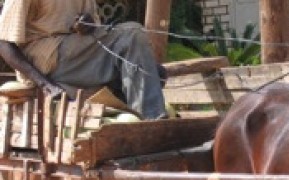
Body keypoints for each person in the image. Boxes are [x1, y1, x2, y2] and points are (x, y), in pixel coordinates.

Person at [0, 0, 167, 119]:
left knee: (150, 69)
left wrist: (88, 24)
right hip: (45, 60)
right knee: (132, 34)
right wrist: (46, 85)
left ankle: (137, 115)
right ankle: (152, 120)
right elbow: (3, 42)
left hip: (76, 54)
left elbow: (97, 29)